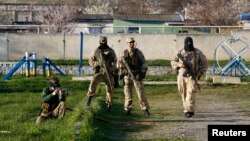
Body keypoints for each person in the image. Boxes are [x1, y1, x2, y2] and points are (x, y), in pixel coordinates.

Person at [171, 37, 208, 118]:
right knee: (183, 93)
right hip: (181, 77)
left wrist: (200, 73)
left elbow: (204, 63)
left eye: (190, 43)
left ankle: (189, 110)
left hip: (192, 76)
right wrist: (179, 65)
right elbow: (173, 61)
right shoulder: (180, 52)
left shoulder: (197, 52)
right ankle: (186, 109)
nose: (189, 44)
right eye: (187, 43)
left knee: (190, 93)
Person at [118, 37, 150, 116]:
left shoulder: (138, 52)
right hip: (127, 76)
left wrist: (141, 74)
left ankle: (145, 109)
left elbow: (143, 63)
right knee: (127, 93)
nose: (131, 44)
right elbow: (118, 64)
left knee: (140, 93)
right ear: (127, 43)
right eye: (129, 42)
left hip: (136, 75)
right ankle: (127, 109)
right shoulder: (124, 53)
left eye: (132, 42)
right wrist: (122, 69)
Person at [86, 36, 117, 111]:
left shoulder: (111, 51)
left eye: (105, 41)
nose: (104, 43)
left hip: (109, 73)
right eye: (102, 41)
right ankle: (89, 98)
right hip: (99, 72)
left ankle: (109, 105)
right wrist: (98, 63)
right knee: (93, 83)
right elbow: (90, 61)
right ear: (100, 42)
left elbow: (115, 61)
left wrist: (111, 68)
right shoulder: (96, 51)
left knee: (109, 89)